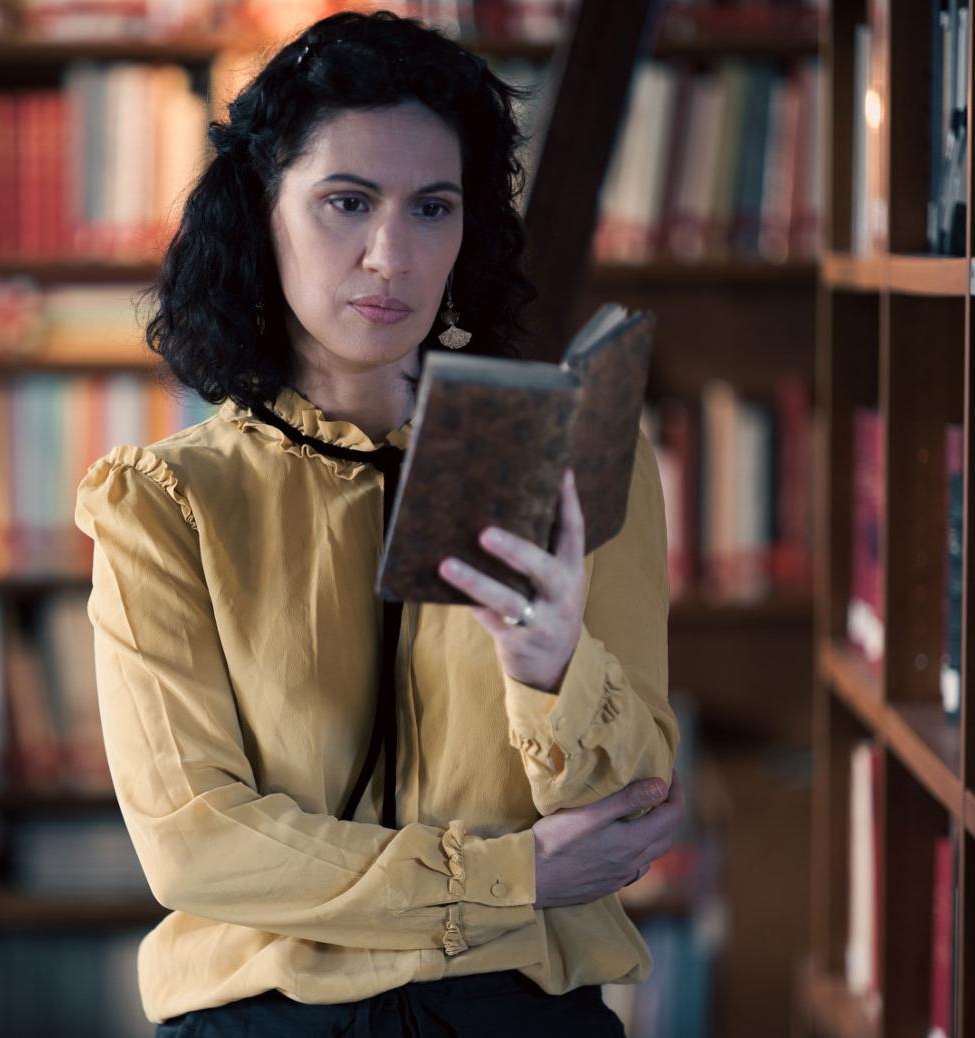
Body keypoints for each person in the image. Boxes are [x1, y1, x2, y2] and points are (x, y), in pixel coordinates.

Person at [73, 11, 683, 1034]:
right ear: (262, 214)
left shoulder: (567, 459)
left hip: (518, 1015)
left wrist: (549, 670)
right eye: (345, 203)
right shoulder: (165, 503)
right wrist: (507, 875)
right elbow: (195, 846)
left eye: (433, 208)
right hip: (267, 1017)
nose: (391, 255)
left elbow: (632, 811)